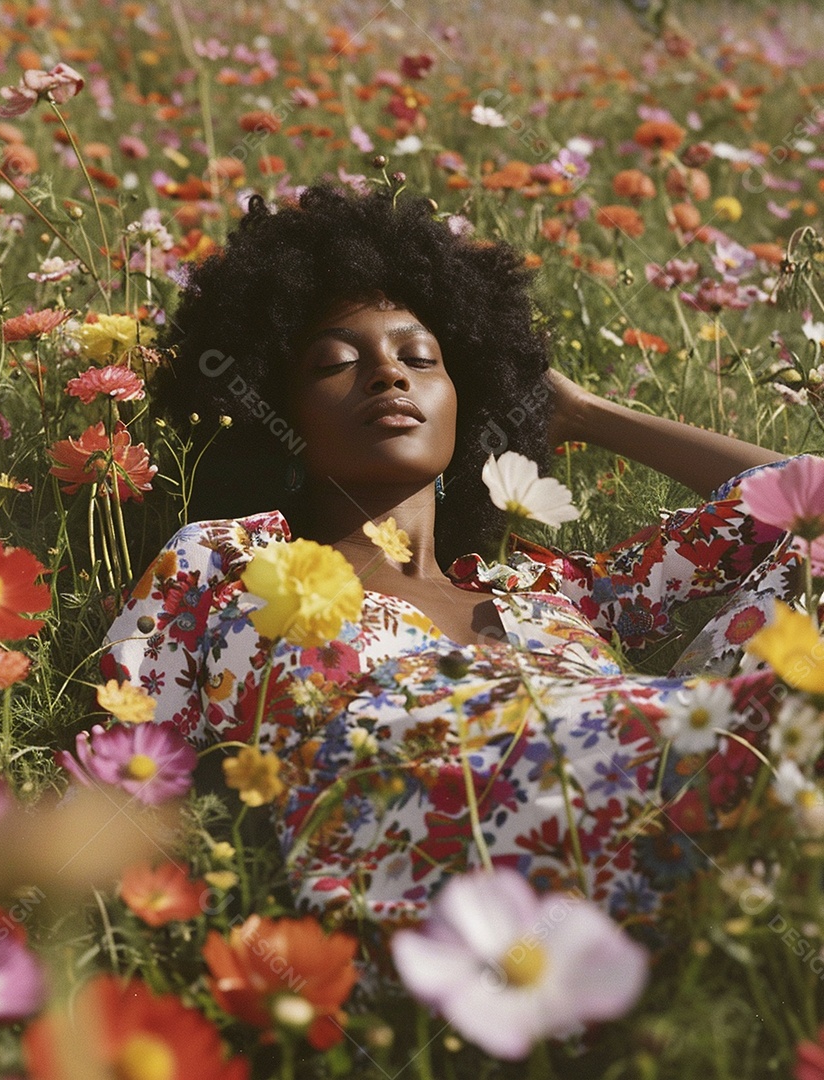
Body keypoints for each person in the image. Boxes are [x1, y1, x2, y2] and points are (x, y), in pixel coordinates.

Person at [103, 184, 802, 940]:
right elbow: (132, 760)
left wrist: (582, 413)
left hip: (666, 779)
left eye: (421, 357)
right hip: (418, 852)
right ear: (282, 418)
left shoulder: (552, 587)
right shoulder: (225, 558)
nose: (388, 374)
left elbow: (806, 499)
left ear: (466, 395)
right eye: (337, 362)